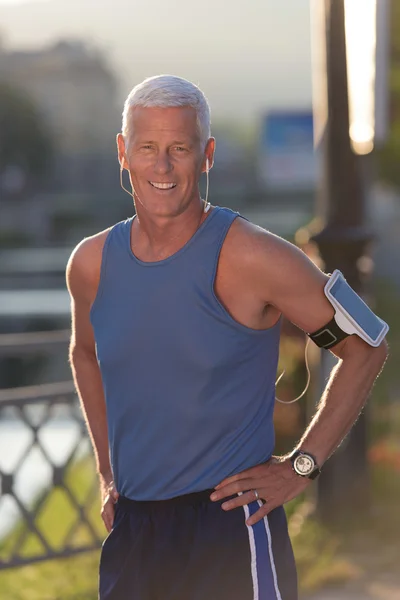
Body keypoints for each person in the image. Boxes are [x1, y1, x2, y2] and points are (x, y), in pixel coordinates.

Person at [66, 74, 388, 600]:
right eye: (148, 148)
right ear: (123, 153)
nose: (163, 167)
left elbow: (366, 346)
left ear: (207, 154)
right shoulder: (90, 263)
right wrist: (107, 472)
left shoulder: (256, 256)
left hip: (230, 530)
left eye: (180, 148)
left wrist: (302, 466)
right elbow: (85, 355)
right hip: (135, 532)